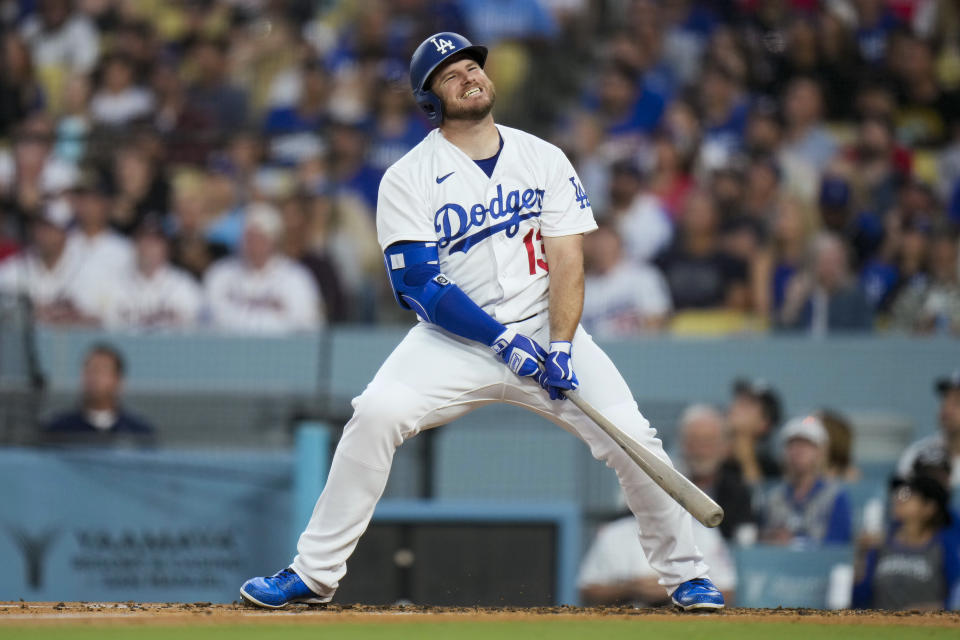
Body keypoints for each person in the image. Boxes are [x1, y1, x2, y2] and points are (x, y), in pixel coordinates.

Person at [240, 32, 724, 611]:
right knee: (375, 414)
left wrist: (563, 344)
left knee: (632, 437)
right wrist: (498, 339)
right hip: (456, 338)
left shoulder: (543, 156)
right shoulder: (407, 176)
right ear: (431, 99)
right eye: (450, 74)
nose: (468, 76)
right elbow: (417, 285)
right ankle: (313, 574)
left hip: (547, 326)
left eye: (472, 66)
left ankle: (685, 575)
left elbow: (568, 258)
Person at [578, 497, 737, 607]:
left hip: (686, 627)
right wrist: (629, 588)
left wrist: (679, 590)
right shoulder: (614, 533)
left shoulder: (703, 533)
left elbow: (727, 592)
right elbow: (587, 590)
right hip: (625, 625)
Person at [204, 202, 323, 334]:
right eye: (249, 237)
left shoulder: (296, 278)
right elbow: (212, 319)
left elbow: (306, 325)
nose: (254, 244)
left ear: (273, 240)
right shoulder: (220, 273)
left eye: (260, 237)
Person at [851, 475, 959, 610]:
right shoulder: (880, 544)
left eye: (909, 495)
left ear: (929, 507)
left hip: (927, 628)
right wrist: (861, 557)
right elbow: (860, 598)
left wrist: (932, 610)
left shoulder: (943, 547)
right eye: (899, 493)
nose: (899, 498)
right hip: (882, 627)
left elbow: (955, 595)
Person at [759, 415, 852, 546]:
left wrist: (794, 541)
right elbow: (760, 541)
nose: (797, 451)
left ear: (821, 452)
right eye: (791, 445)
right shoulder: (772, 498)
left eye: (806, 445)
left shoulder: (835, 497)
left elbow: (837, 546)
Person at [41, 343, 156, 446]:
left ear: (118, 381)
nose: (93, 378)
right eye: (88, 371)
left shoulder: (139, 433)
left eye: (101, 371)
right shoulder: (58, 429)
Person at [676, 404, 755, 542]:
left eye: (708, 442)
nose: (701, 451)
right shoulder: (665, 486)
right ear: (683, 445)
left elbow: (745, 539)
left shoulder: (738, 493)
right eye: (694, 441)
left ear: (723, 447)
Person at [581, 222, 672, 337]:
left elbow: (656, 320)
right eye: (597, 243)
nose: (602, 248)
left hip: (636, 349)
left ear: (618, 242)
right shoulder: (581, 285)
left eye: (606, 241)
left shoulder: (643, 275)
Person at [897, 371, 960, 490]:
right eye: (945, 399)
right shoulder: (918, 454)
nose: (947, 408)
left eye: (957, 402)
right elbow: (902, 498)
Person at [726, 377, 783, 486]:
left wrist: (745, 454)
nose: (737, 406)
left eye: (749, 403)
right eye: (739, 399)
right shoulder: (709, 459)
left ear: (765, 423)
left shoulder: (771, 470)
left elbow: (758, 499)